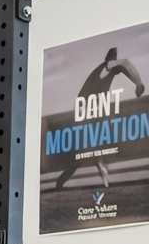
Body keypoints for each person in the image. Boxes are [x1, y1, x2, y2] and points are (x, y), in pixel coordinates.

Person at [54, 46, 145, 189]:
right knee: (95, 145)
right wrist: (139, 84)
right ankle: (100, 166)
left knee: (83, 153)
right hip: (88, 110)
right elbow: (125, 63)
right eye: (114, 59)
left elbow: (124, 68)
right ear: (111, 60)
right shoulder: (108, 66)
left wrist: (137, 83)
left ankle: (62, 181)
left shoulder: (102, 71)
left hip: (86, 110)